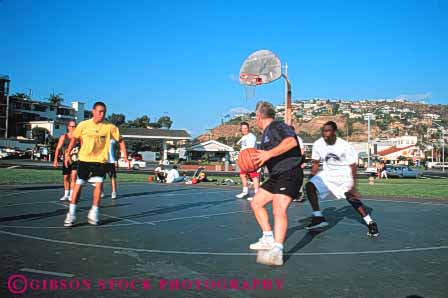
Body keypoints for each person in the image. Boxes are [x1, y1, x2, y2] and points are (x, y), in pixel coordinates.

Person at [249, 101, 303, 266]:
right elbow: (267, 156)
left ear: (259, 116)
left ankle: (277, 250)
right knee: (257, 203)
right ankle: (267, 238)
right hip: (276, 175)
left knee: (279, 209)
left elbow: (292, 142)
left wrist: (268, 154)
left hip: (289, 172)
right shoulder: (265, 133)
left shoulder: (277, 126)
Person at [305, 121, 380, 237]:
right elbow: (315, 162)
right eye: (323, 131)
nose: (325, 133)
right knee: (309, 186)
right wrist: (312, 176)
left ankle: (370, 222)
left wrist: (354, 186)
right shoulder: (318, 144)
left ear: (334, 132)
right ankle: (318, 217)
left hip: (344, 174)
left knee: (350, 197)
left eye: (328, 131)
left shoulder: (344, 146)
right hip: (327, 174)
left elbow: (353, 166)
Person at [63, 102, 129, 227]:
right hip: (84, 160)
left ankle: (94, 212)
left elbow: (121, 141)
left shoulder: (110, 127)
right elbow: (74, 139)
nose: (102, 114)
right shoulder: (83, 125)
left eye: (104, 112)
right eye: (99, 111)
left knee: (99, 185)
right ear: (93, 111)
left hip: (100, 161)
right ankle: (71, 214)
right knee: (78, 186)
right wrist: (67, 153)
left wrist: (125, 156)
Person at [53, 120, 80, 201]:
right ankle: (66, 194)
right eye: (71, 126)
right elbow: (58, 149)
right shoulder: (63, 137)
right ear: (68, 127)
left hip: (76, 160)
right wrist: (55, 160)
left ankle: (72, 195)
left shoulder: (79, 137)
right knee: (66, 177)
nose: (73, 128)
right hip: (66, 161)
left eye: (74, 126)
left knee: (74, 176)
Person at [235, 122, 260, 201]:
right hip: (244, 159)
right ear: (241, 129)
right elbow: (242, 148)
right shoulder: (243, 137)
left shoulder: (251, 137)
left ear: (248, 128)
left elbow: (250, 149)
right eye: (243, 128)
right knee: (242, 175)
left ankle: (257, 194)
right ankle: (245, 191)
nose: (244, 130)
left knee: (254, 176)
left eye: (246, 128)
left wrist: (244, 157)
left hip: (250, 159)